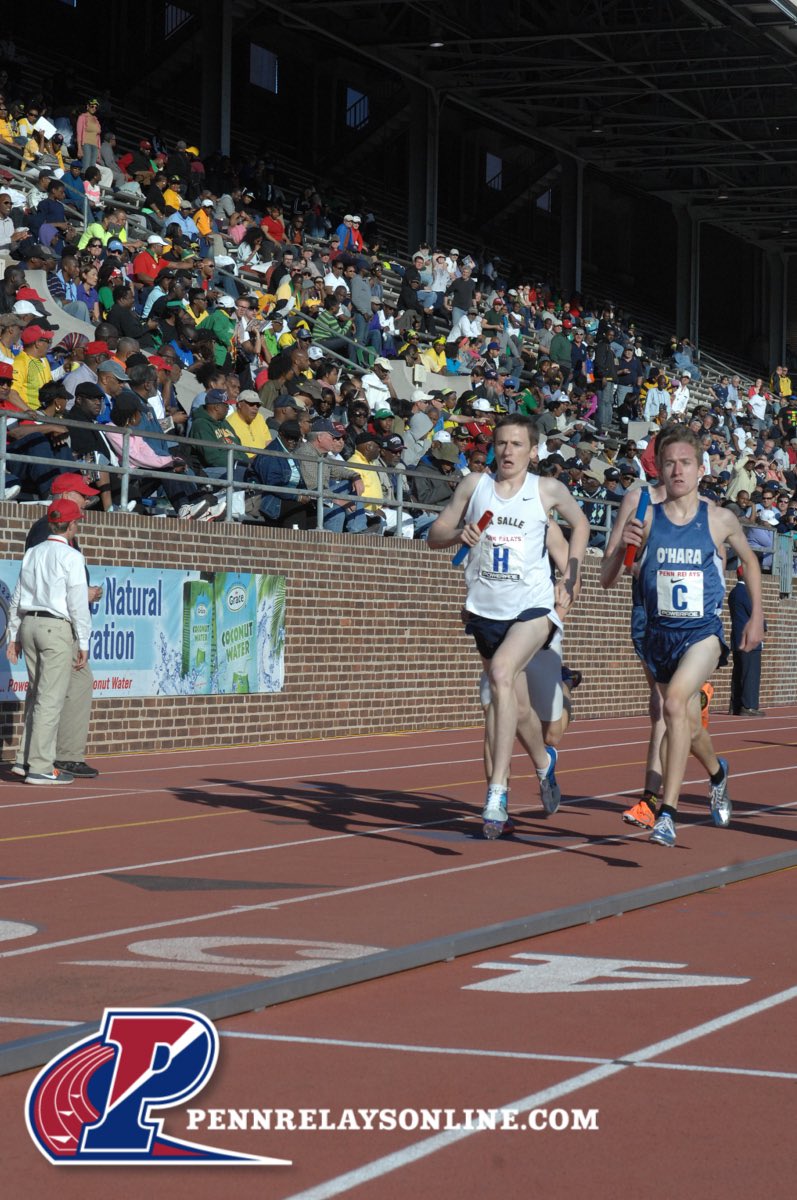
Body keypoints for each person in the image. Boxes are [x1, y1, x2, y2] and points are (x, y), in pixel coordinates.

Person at [602, 426, 764, 847]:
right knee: (688, 727)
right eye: (669, 462)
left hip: (702, 633)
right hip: (659, 635)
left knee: (671, 705)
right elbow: (606, 579)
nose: (677, 470)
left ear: (699, 468)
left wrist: (756, 616)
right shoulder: (647, 515)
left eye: (686, 462)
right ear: (660, 466)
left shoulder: (719, 517)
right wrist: (623, 549)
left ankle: (666, 813)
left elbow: (749, 559)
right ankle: (717, 773)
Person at [428, 413, 589, 837]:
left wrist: (569, 578)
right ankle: (543, 763)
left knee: (500, 675)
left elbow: (581, 526)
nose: (507, 451)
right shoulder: (474, 486)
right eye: (501, 443)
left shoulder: (545, 491)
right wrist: (457, 534)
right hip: (485, 610)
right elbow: (435, 533)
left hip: (533, 610)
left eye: (517, 444)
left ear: (533, 451)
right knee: (516, 709)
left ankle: (497, 792)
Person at [6, 500, 94, 785]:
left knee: (35, 694)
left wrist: (13, 635)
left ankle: (24, 759)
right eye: (76, 523)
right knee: (50, 699)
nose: (76, 526)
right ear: (69, 526)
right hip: (55, 628)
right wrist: (84, 642)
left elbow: (17, 597)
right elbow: (78, 604)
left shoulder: (32, 552)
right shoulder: (71, 557)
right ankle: (41, 766)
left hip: (30, 624)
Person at [728, 565, 766, 716]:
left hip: (737, 638)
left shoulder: (734, 592)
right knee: (751, 673)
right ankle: (749, 706)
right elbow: (755, 614)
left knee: (739, 673)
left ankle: (735, 705)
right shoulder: (746, 593)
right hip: (749, 639)